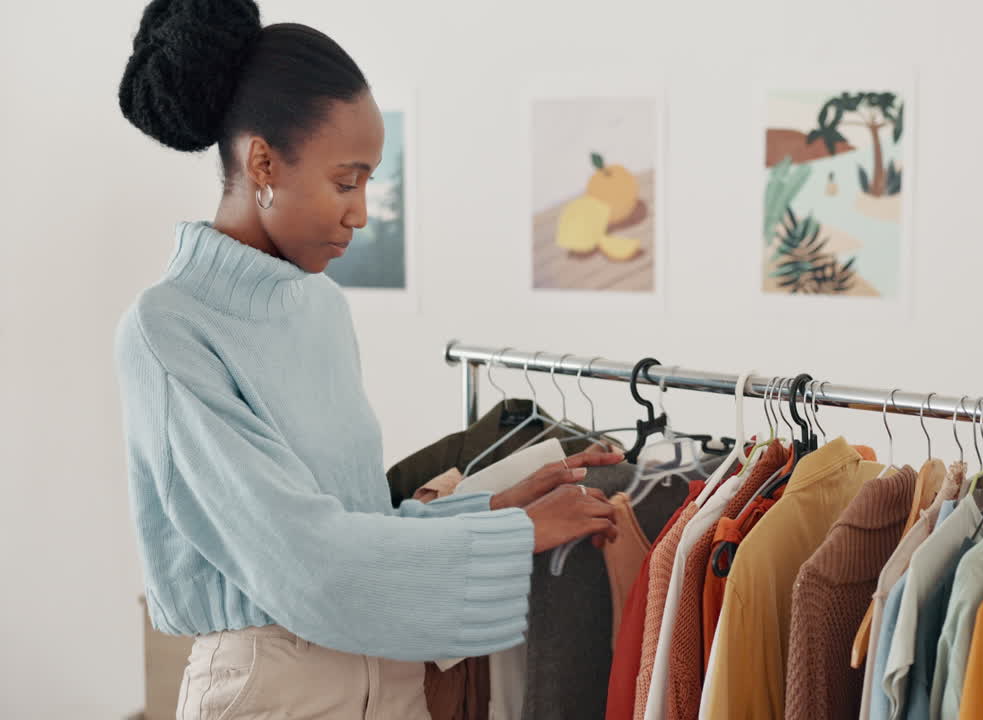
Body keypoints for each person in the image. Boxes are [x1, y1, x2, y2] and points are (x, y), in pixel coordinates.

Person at [113, 1, 621, 716]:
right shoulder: (167, 332)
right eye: (346, 181)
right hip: (273, 690)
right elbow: (305, 565)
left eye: (368, 183)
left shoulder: (321, 308)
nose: (360, 212)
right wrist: (514, 536)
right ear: (263, 161)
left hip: (391, 678)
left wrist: (490, 510)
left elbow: (354, 523)